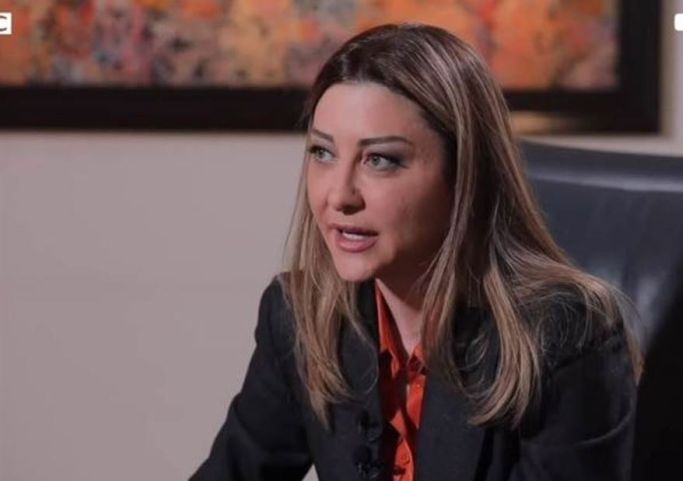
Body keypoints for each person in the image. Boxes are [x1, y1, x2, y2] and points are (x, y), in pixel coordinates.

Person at [190, 23, 642, 481]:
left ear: (463, 174)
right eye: (323, 153)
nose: (339, 195)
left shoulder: (565, 336)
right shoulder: (299, 316)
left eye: (380, 160)